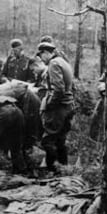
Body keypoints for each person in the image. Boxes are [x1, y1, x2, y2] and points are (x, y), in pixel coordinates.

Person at [37, 42, 74, 172]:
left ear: (46, 53)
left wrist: (49, 105)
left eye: (41, 56)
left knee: (48, 140)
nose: (41, 59)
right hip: (67, 105)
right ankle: (64, 168)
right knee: (60, 140)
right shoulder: (63, 62)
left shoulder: (53, 64)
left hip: (58, 108)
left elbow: (58, 89)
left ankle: (50, 170)